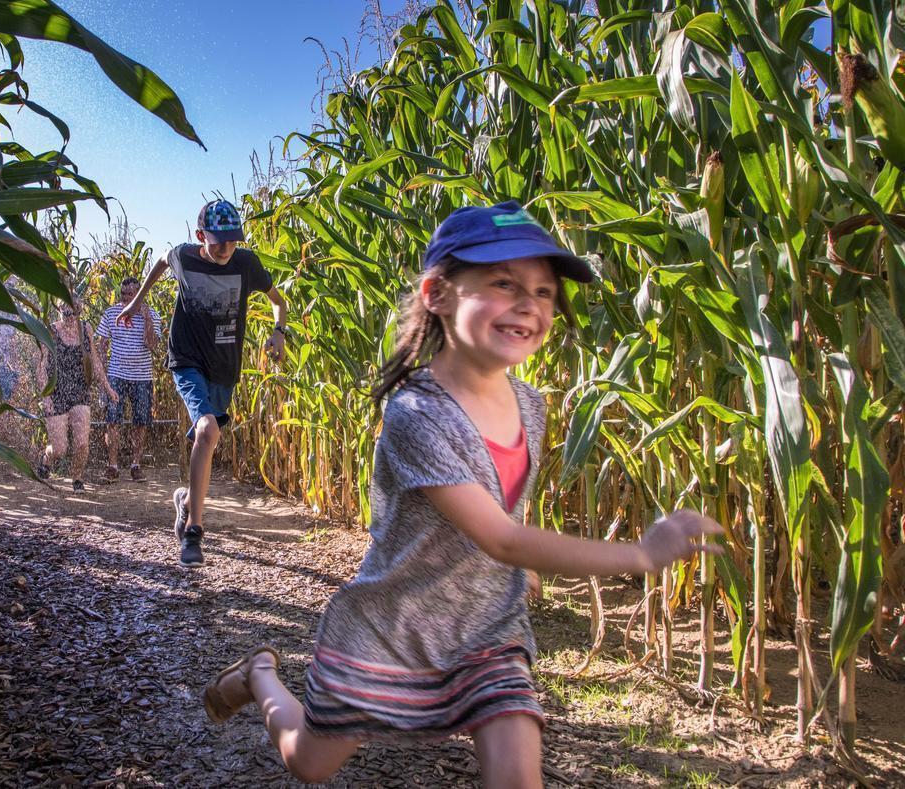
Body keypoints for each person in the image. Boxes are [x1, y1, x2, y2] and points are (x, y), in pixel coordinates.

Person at [198, 202, 723, 786]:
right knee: (308, 763)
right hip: (393, 626)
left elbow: (503, 507)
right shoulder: (416, 414)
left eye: (545, 292)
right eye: (503, 283)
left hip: (488, 629)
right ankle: (260, 674)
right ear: (438, 293)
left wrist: (517, 574)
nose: (529, 304)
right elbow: (502, 537)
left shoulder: (532, 406)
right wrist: (641, 555)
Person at [118, 199, 287, 567]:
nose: (227, 248)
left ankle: (184, 502)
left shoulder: (246, 264)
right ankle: (193, 532)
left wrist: (279, 332)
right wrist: (137, 305)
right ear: (200, 236)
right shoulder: (184, 257)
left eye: (233, 241)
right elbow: (161, 260)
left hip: (225, 368)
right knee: (209, 431)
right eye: (218, 241)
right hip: (187, 360)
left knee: (204, 443)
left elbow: (279, 302)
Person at [40, 298, 115, 492]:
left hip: (80, 392)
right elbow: (41, 367)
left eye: (75, 312)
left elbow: (95, 360)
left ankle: (77, 478)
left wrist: (107, 387)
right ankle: (46, 458)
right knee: (60, 449)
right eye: (66, 312)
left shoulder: (85, 329)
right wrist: (45, 397)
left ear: (80, 311)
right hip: (56, 393)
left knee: (82, 443)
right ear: (59, 310)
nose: (70, 317)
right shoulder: (51, 331)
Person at [96, 277, 160, 481]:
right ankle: (112, 466)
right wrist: (102, 379)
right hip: (116, 375)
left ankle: (135, 465)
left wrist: (147, 317)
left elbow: (152, 345)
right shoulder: (111, 313)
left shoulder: (153, 315)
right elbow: (101, 346)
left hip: (142, 377)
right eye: (123, 294)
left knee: (140, 422)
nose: (125, 298)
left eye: (130, 295)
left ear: (139, 295)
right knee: (113, 420)